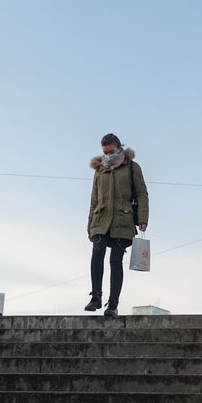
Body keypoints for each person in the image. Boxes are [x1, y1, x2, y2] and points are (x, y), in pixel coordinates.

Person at [85, 133, 149, 317]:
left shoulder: (132, 168)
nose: (108, 155)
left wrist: (143, 219)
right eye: (105, 152)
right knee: (97, 253)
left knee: (115, 260)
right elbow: (93, 200)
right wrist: (90, 225)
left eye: (111, 151)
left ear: (119, 148)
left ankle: (112, 304)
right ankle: (95, 297)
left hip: (123, 220)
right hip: (101, 219)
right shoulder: (99, 170)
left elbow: (142, 194)